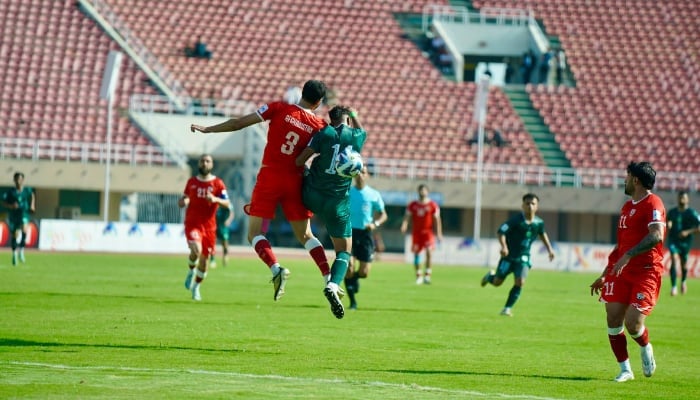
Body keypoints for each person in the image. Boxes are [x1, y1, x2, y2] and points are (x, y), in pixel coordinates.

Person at [190, 80, 331, 302]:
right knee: (306, 235)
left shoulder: (278, 108)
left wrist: (208, 129)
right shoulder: (321, 126)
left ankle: (276, 269)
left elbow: (238, 124)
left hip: (270, 177)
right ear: (319, 102)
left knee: (254, 233)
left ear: (301, 93)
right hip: (295, 180)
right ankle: (329, 278)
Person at [590, 161, 665, 382]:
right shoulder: (626, 207)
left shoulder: (653, 203)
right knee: (613, 318)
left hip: (646, 271)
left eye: (627, 176)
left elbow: (657, 235)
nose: (624, 180)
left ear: (636, 180)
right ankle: (625, 370)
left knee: (633, 323)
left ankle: (645, 346)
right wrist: (605, 274)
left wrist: (629, 255)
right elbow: (621, 246)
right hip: (621, 271)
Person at [296, 105, 367, 319]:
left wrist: (307, 171)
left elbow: (299, 160)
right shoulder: (354, 136)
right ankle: (333, 285)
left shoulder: (323, 133)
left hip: (311, 196)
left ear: (331, 119)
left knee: (305, 233)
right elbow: (362, 131)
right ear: (347, 120)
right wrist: (354, 115)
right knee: (344, 251)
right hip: (336, 203)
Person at [481, 193, 555, 316]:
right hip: (508, 257)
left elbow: (542, 234)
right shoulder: (515, 220)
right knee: (497, 282)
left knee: (520, 281)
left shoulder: (539, 223)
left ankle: (507, 308)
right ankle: (490, 277)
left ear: (537, 206)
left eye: (533, 204)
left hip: (523, 258)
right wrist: (504, 246)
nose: (530, 206)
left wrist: (550, 250)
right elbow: (501, 232)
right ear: (522, 205)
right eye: (527, 203)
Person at [178, 154, 230, 301]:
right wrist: (183, 201)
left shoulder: (218, 183)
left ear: (212, 165)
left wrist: (215, 199)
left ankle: (196, 287)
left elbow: (227, 203)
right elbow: (185, 197)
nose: (205, 163)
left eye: (208, 161)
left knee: (204, 261)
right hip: (193, 223)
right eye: (202, 161)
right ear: (199, 164)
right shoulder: (192, 182)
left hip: (209, 227)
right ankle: (191, 271)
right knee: (196, 249)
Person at [345, 165, 387, 310]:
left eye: (363, 172)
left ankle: (355, 279)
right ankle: (352, 302)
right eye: (357, 172)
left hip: (365, 234)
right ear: (353, 175)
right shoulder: (347, 192)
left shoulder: (373, 194)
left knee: (364, 273)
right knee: (349, 268)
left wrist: (375, 224)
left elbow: (383, 214)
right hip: (349, 233)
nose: (360, 175)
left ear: (367, 175)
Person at [400, 184, 443, 284]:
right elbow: (407, 217)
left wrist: (439, 233)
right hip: (416, 233)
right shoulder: (412, 205)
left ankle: (427, 275)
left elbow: (437, 220)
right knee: (417, 254)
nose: (422, 192)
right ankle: (418, 276)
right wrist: (404, 225)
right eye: (421, 190)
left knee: (429, 252)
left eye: (424, 190)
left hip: (428, 233)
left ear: (428, 192)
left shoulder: (433, 205)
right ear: (418, 191)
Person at [666, 190, 700, 295]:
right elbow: (667, 220)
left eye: (683, 198)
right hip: (673, 240)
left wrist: (688, 232)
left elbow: (698, 227)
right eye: (680, 197)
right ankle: (673, 287)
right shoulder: (672, 212)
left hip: (685, 242)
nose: (681, 199)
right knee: (673, 259)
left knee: (684, 265)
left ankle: (683, 281)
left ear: (687, 199)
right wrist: (669, 224)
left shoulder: (692, 213)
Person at [1, 172, 35, 266]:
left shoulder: (27, 190)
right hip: (14, 215)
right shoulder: (10, 192)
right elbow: (3, 201)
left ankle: (21, 251)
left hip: (24, 213)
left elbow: (32, 195)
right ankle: (14, 253)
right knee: (15, 235)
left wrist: (32, 205)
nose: (18, 181)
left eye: (20, 179)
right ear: (14, 180)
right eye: (16, 179)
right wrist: (11, 206)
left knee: (24, 229)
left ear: (23, 180)